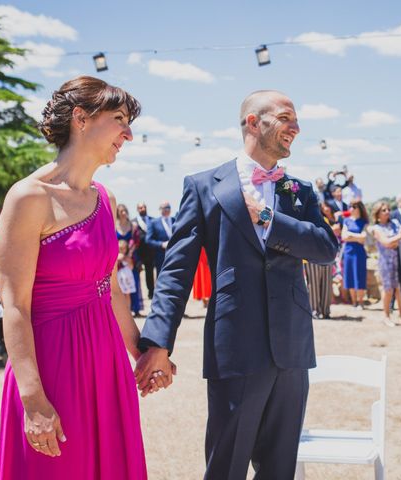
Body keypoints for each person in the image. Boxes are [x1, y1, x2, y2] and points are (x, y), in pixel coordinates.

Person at [134, 90, 338, 480]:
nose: (295, 127)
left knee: (279, 469)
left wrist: (268, 218)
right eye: (285, 118)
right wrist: (158, 343)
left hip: (292, 348)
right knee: (226, 465)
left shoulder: (300, 192)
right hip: (235, 346)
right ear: (253, 123)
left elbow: (326, 249)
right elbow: (176, 272)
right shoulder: (204, 186)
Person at [0, 76, 151, 479]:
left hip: (106, 365)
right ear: (81, 118)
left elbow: (111, 287)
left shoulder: (106, 199)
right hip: (52, 365)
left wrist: (141, 353)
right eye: (119, 119)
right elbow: (13, 306)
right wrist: (32, 398)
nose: (128, 134)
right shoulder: (28, 197)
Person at [371, 201, 401, 326]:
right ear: (377, 214)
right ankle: (386, 316)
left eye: (388, 209)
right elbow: (386, 242)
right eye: (384, 210)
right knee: (388, 289)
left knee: (398, 289)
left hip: (398, 260)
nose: (387, 212)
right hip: (385, 262)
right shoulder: (376, 228)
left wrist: (395, 240)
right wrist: (397, 238)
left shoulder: (395, 223)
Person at [304, 202, 337, 319]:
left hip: (325, 255)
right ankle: (314, 310)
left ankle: (326, 310)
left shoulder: (325, 220)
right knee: (313, 284)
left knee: (326, 284)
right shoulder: (304, 219)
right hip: (310, 256)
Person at [116, 203, 143, 316]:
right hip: (117, 259)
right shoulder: (113, 226)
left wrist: (128, 256)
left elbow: (136, 242)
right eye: (121, 211)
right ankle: (122, 310)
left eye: (125, 210)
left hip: (131, 258)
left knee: (134, 281)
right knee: (119, 283)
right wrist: (118, 255)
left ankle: (135, 308)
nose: (123, 213)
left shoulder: (133, 226)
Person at [342, 201, 369, 309]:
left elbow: (363, 239)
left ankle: (361, 302)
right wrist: (357, 236)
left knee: (360, 276)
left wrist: (350, 235)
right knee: (350, 277)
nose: (351, 208)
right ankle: (354, 302)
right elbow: (344, 237)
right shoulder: (346, 221)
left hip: (359, 253)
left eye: (354, 206)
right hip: (348, 252)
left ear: (359, 208)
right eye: (350, 206)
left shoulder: (364, 222)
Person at [134, 202, 155, 299]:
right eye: (140, 207)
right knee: (136, 274)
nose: (142, 209)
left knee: (150, 274)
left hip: (150, 252)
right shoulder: (133, 222)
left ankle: (151, 293)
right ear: (137, 209)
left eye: (144, 207)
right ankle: (138, 296)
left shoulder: (152, 220)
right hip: (138, 252)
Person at [145, 201, 174, 272]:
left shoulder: (175, 220)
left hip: (175, 255)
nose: (167, 209)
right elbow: (148, 240)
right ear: (160, 209)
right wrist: (162, 244)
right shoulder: (153, 223)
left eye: (168, 207)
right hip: (161, 258)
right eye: (164, 208)